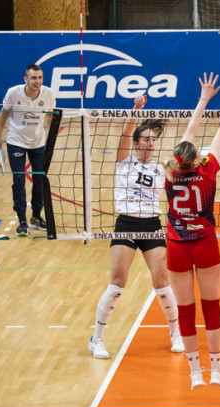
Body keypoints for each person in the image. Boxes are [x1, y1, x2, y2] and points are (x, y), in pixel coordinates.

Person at [166, 73, 220, 389]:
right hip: (204, 244)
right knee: (211, 308)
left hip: (176, 245)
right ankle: (216, 370)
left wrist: (203, 99)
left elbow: (189, 134)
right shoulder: (208, 171)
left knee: (186, 311)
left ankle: (194, 374)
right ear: (197, 158)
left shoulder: (170, 173)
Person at [89, 95, 183, 360]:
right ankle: (97, 339)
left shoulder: (160, 169)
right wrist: (135, 110)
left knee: (162, 282)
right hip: (127, 224)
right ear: (137, 142)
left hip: (151, 225)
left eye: (154, 140)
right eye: (146, 139)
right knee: (118, 282)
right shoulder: (125, 161)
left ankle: (176, 333)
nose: (151, 144)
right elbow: (126, 132)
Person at [0, 64, 56, 237]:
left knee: (39, 180)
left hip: (38, 143)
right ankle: (22, 221)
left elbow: (51, 116)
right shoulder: (13, 93)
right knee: (19, 180)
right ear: (25, 79)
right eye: (34, 78)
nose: (38, 81)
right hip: (16, 142)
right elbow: (3, 113)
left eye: (40, 78)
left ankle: (36, 217)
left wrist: (50, 140)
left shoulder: (49, 94)